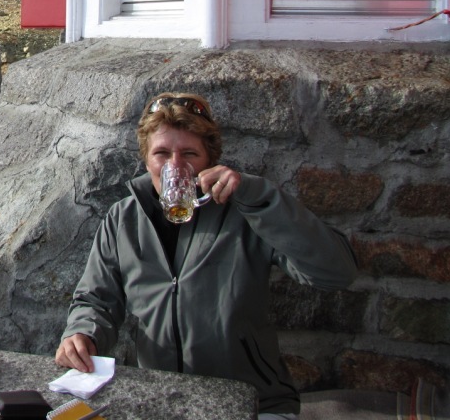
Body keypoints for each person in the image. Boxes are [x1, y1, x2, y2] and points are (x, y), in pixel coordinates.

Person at [55, 92, 357, 419]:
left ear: (209, 161)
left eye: (189, 153)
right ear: (146, 160)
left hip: (254, 404)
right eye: (161, 153)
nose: (175, 166)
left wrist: (259, 197)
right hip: (162, 402)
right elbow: (96, 300)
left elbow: (336, 273)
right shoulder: (123, 219)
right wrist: (82, 333)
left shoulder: (249, 213)